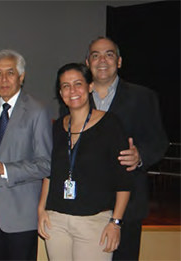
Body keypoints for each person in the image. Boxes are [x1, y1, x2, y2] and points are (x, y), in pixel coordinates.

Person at [84, 37, 169, 260]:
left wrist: (140, 156)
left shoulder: (143, 97)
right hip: (86, 206)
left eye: (109, 54)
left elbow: (159, 142)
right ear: (87, 62)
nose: (102, 60)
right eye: (95, 55)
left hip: (128, 207)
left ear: (119, 61)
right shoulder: (76, 97)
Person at [38, 63, 133, 260]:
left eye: (78, 84)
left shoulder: (110, 124)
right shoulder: (57, 127)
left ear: (90, 86)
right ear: (60, 92)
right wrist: (41, 209)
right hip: (57, 222)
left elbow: (123, 179)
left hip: (94, 223)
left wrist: (115, 222)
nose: (72, 91)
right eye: (65, 86)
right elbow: (50, 172)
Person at [0, 49, 52, 260]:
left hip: (21, 211)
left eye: (10, 72)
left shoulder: (37, 110)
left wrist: (5, 169)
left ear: (22, 76)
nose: (4, 79)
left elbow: (46, 164)